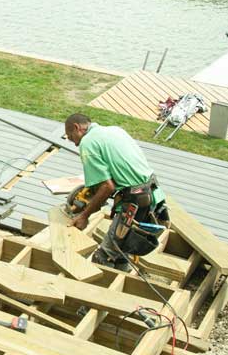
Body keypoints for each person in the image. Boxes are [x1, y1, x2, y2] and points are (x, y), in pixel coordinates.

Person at [63, 113, 169, 270]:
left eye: (71, 137)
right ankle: (122, 274)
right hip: (151, 192)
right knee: (121, 249)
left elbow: (107, 187)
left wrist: (84, 215)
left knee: (103, 257)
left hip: (134, 200)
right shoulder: (114, 130)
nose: (75, 144)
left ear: (76, 128)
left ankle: (94, 291)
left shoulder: (87, 143)